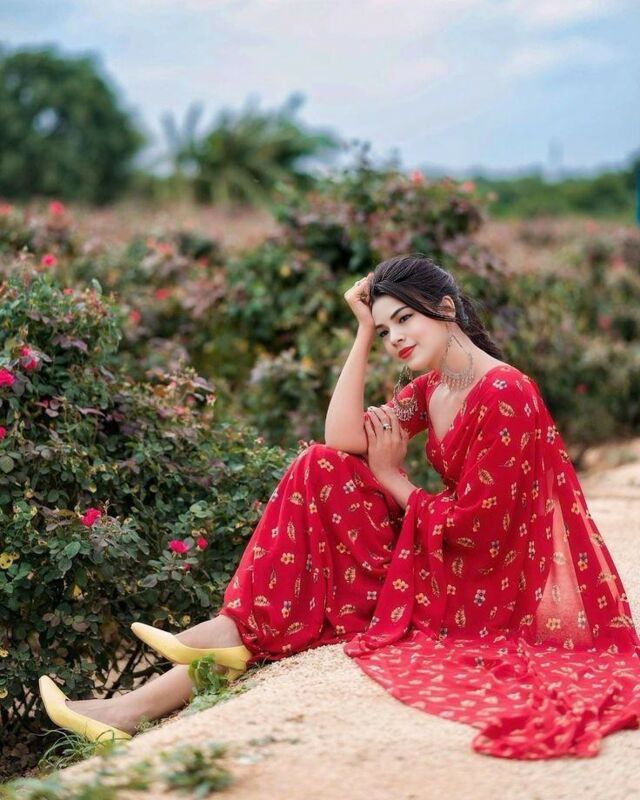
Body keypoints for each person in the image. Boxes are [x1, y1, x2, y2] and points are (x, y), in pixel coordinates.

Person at [39, 254, 640, 759]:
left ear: (446, 308)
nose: (396, 338)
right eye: (385, 329)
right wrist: (359, 333)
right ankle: (135, 704)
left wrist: (391, 478)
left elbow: (477, 530)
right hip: (439, 548)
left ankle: (151, 691)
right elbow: (341, 438)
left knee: (297, 588)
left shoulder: (505, 390)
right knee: (320, 466)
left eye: (404, 319)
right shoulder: (434, 387)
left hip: (478, 581)